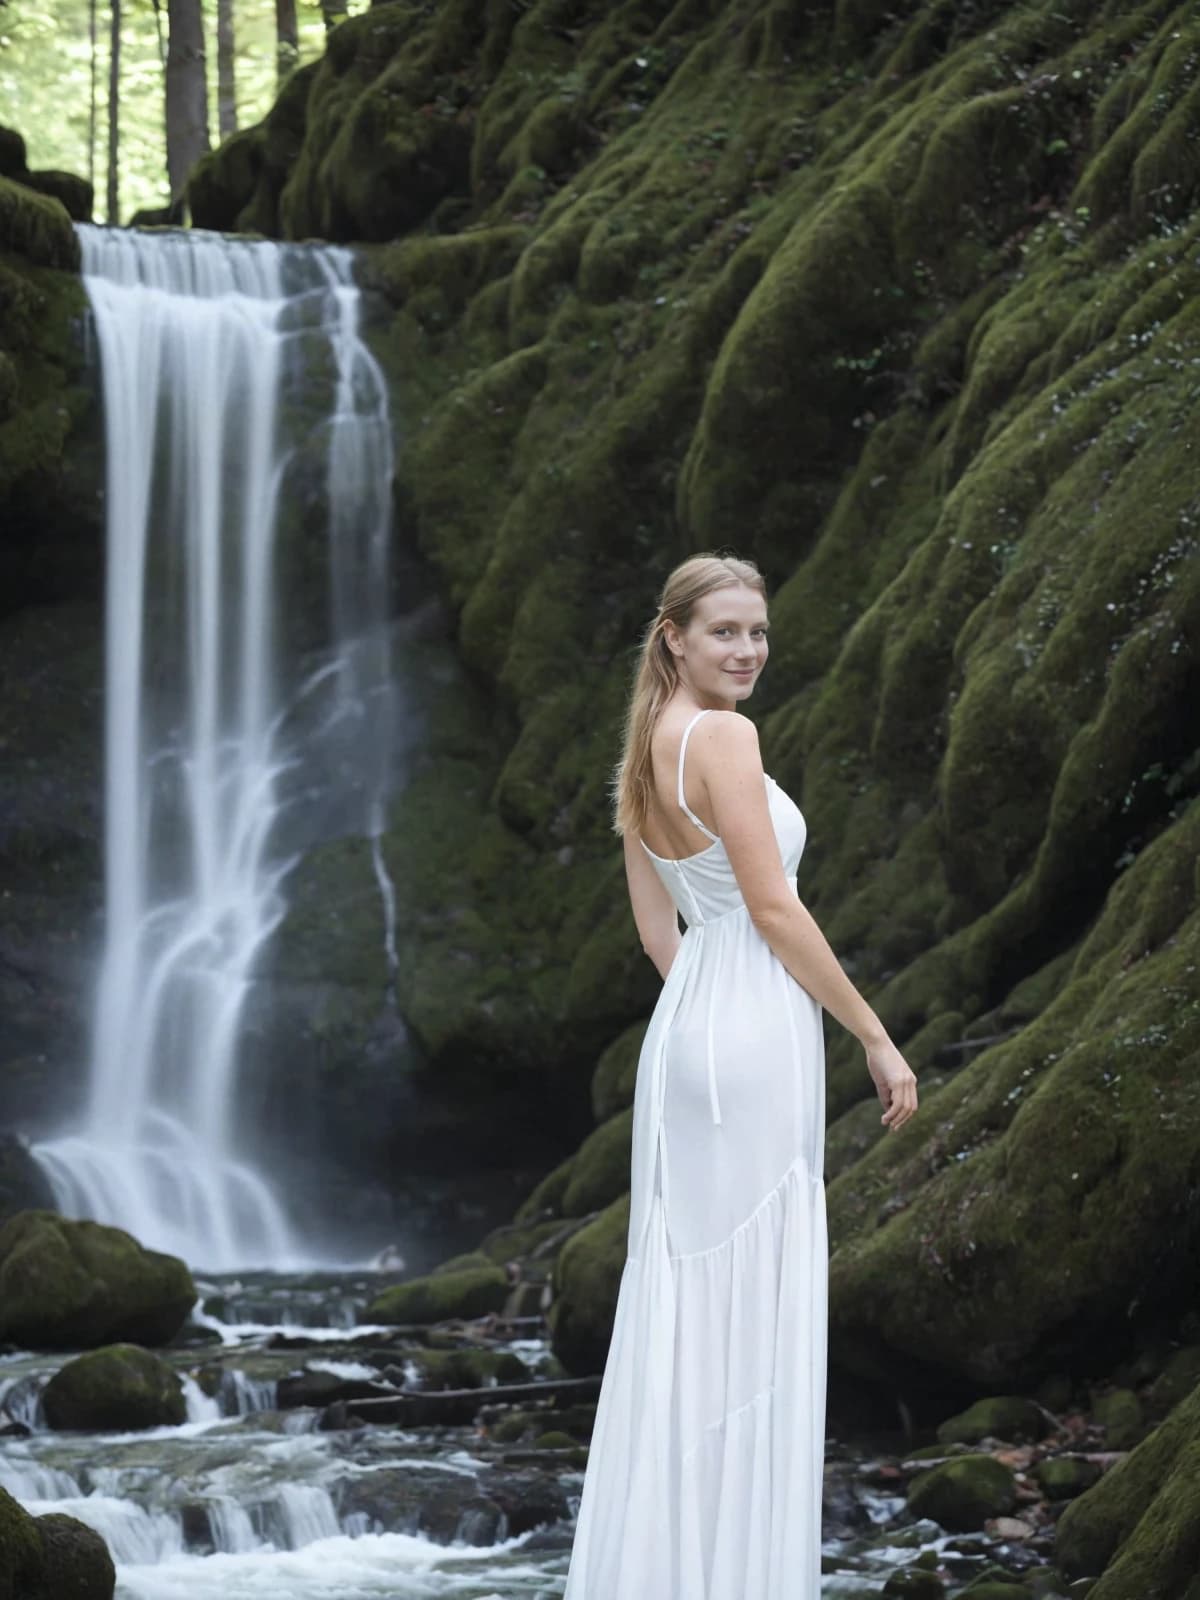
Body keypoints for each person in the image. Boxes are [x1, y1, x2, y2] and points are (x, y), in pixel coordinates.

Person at [561, 552, 918, 1599]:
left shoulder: (643, 747)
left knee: (690, 1302)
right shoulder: (721, 734)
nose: (749, 650)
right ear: (674, 635)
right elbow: (772, 906)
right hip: (750, 1023)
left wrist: (710, 1007)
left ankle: (677, 1569)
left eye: (758, 631)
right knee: (748, 1301)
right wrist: (872, 1033)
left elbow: (660, 931)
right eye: (725, 631)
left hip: (694, 1025)